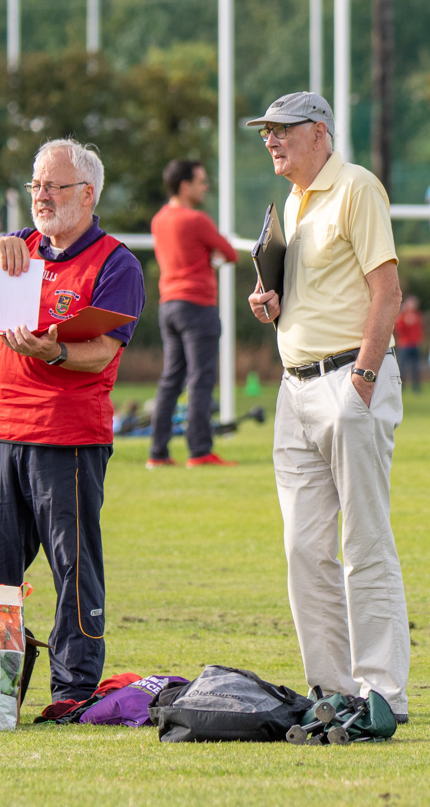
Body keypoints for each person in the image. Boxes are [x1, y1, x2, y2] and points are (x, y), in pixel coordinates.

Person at [0, 138, 145, 703]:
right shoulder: (16, 250)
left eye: (54, 185)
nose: (42, 196)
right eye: (36, 185)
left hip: (69, 437)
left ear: (87, 193)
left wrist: (52, 354)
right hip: (2, 431)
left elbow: (103, 351)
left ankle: (72, 690)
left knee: (74, 570)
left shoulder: (116, 262)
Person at [246, 92, 409, 722]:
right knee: (304, 549)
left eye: (282, 131)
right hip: (295, 388)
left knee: (365, 541)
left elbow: (386, 290)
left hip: (350, 382)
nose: (272, 141)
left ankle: (383, 697)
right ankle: (334, 692)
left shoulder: (357, 188)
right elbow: (316, 293)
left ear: (319, 133)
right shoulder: (294, 201)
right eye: (266, 133)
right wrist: (273, 303)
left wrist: (363, 380)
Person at [147, 159, 239, 469]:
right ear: (185, 186)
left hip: (168, 305)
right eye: (201, 181)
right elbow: (229, 252)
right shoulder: (196, 220)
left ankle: (158, 453)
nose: (205, 186)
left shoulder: (159, 220)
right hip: (197, 306)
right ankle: (199, 451)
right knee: (201, 379)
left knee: (171, 380)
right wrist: (209, 258)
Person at [394, 295, 424, 392]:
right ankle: (402, 386)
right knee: (402, 366)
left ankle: (416, 387)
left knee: (416, 367)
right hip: (405, 345)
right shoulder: (402, 316)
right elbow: (398, 329)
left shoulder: (417, 315)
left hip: (415, 345)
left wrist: (419, 340)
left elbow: (419, 329)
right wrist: (404, 321)